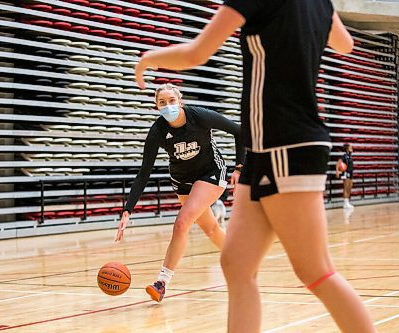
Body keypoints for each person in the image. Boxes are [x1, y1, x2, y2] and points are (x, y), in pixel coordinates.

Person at [134, 0, 375, 332]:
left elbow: (196, 54)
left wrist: (149, 59)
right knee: (236, 263)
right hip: (266, 146)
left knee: (316, 271)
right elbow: (344, 44)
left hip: (285, 142)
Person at [115, 83, 244, 302]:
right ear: (156, 107)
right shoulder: (157, 131)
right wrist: (127, 210)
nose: (168, 106)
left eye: (171, 101)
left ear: (180, 101)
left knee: (182, 222)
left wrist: (240, 167)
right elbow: (144, 172)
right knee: (211, 228)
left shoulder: (199, 116)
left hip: (211, 173)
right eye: (162, 103)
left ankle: (161, 282)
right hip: (182, 180)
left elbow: (239, 132)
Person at [336, 143, 354, 209]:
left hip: (351, 173)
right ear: (347, 149)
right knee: (346, 187)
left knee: (349, 187)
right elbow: (338, 163)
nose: (352, 148)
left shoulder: (350, 156)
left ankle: (347, 202)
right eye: (350, 147)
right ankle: (345, 203)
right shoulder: (344, 156)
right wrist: (337, 171)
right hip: (345, 173)